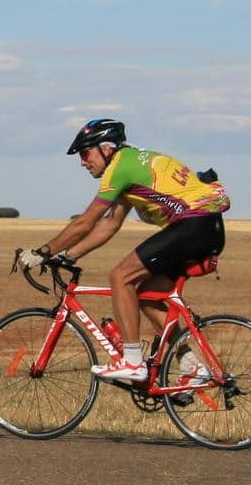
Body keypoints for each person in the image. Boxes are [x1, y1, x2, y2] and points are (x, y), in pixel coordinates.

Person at [23, 118, 228, 383]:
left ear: (106, 148)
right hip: (206, 228)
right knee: (145, 294)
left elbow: (87, 221)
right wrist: (69, 255)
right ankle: (192, 367)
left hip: (194, 225)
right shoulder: (130, 163)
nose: (83, 162)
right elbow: (110, 224)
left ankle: (133, 363)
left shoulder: (120, 168)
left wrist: (42, 252)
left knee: (120, 277)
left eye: (85, 153)